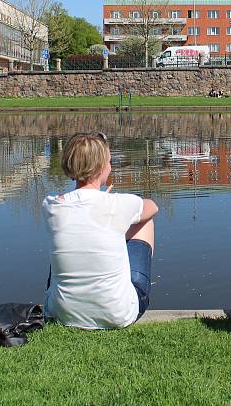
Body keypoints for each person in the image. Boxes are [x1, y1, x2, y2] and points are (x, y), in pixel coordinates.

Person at [42, 132, 159, 329]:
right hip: (118, 315)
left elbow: (83, 211)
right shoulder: (118, 204)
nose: (110, 167)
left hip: (61, 314)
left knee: (72, 234)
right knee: (145, 222)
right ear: (99, 167)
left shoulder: (51, 205)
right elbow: (153, 207)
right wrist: (112, 209)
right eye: (109, 162)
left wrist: (104, 211)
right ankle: (122, 292)